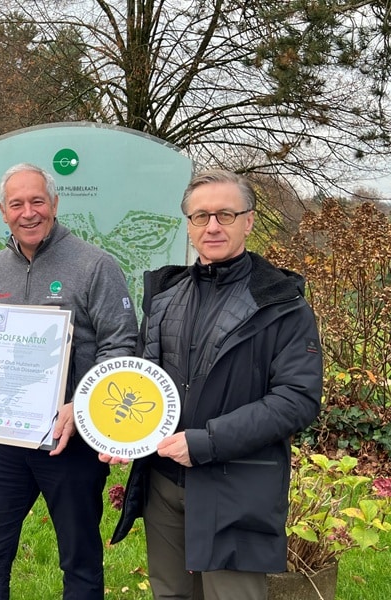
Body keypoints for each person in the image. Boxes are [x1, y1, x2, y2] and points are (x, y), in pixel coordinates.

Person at [104, 169, 323, 600]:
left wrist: (205, 443)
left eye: (226, 214)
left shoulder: (281, 305)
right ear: (189, 224)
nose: (213, 227)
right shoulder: (165, 297)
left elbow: (296, 399)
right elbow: (144, 380)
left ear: (249, 221)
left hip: (237, 486)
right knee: (171, 594)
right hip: (165, 484)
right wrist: (123, 434)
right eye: (201, 216)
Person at [0, 163, 139, 599]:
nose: (28, 213)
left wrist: (83, 405)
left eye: (37, 201)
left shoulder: (95, 265)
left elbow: (120, 343)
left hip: (70, 438)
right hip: (6, 437)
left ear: (55, 204)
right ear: (3, 212)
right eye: (17, 204)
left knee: (78, 558)